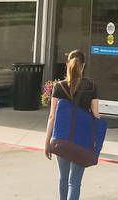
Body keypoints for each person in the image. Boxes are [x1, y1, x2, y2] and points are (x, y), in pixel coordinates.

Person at [44, 49, 99, 200]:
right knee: (74, 183)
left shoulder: (58, 87)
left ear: (67, 64)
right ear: (83, 66)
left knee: (63, 179)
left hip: (61, 139)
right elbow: (96, 116)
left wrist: (47, 142)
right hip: (81, 141)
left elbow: (52, 117)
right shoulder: (91, 86)